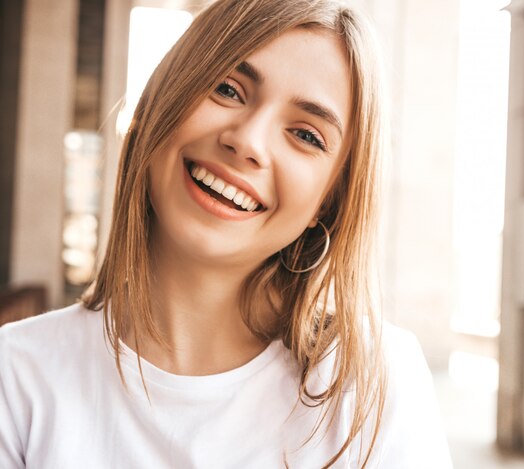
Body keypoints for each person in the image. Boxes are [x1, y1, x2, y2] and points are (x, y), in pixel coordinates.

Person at [0, 0, 453, 467]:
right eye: (227, 89)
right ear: (162, 97)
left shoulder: (374, 383)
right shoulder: (16, 376)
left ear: (330, 201)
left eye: (306, 135)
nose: (248, 141)